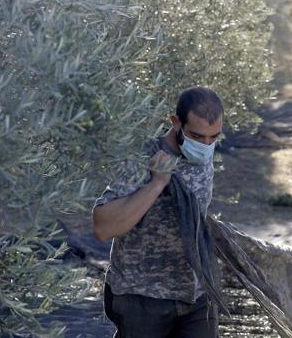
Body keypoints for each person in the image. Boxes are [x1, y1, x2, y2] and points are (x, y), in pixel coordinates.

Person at [92, 86, 224, 338]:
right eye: (197, 137)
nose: (206, 145)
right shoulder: (141, 157)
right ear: (176, 123)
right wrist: (157, 183)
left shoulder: (204, 153)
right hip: (142, 297)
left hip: (196, 293)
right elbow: (102, 226)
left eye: (214, 137)